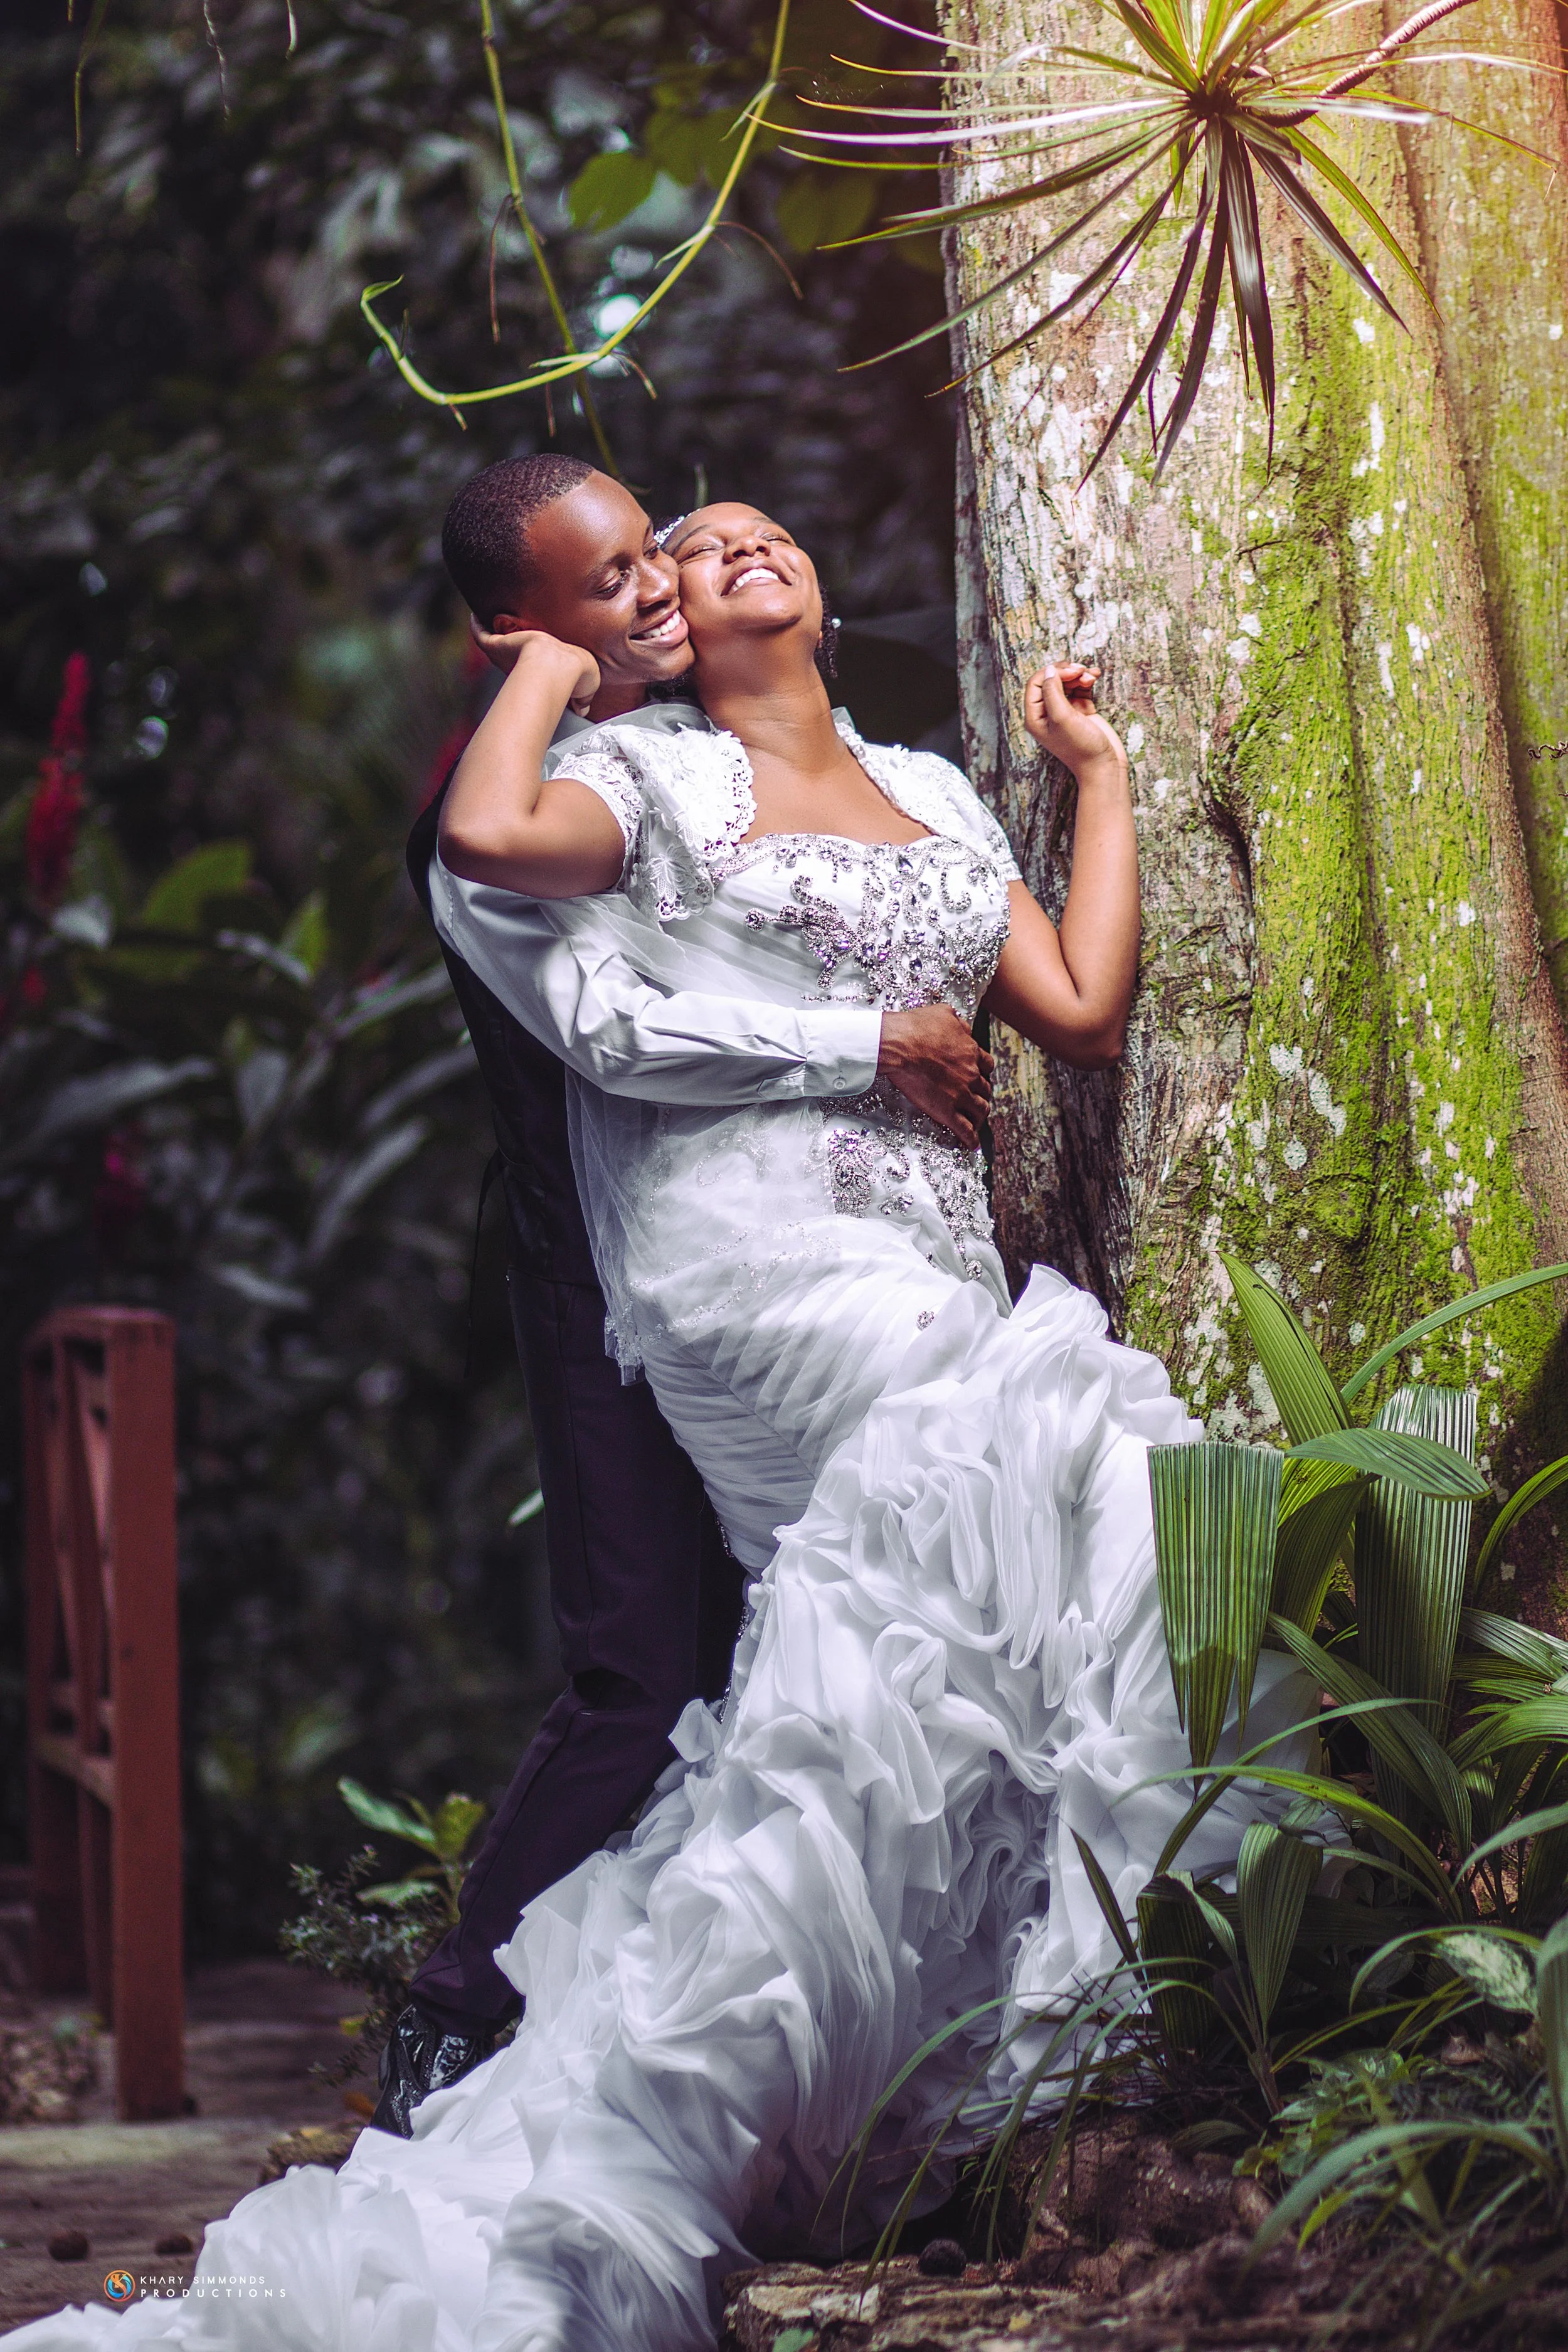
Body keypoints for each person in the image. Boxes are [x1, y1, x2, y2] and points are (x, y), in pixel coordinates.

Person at [18, 504, 1312, 2352]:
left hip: (928, 1249)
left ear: (815, 586)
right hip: (752, 1257)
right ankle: (1046, 2018)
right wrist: (541, 653)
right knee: (1071, 1462)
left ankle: (910, 2052)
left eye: (742, 533)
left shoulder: (938, 788)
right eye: (674, 559)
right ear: (654, 633)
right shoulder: (637, 776)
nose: (718, 555)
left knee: (913, 1650)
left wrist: (1091, 773)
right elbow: (497, 862)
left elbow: (1083, 1010)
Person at [378, 456, 996, 2132]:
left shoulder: (667, 766)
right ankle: (458, 2008)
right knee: (641, 1659)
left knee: (774, 1637)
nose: (657, 589)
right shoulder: (501, 818)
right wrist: (863, 1042)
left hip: (776, 1237)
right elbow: (615, 1038)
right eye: (605, 590)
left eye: (652, 552)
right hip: (608, 1272)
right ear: (519, 634)